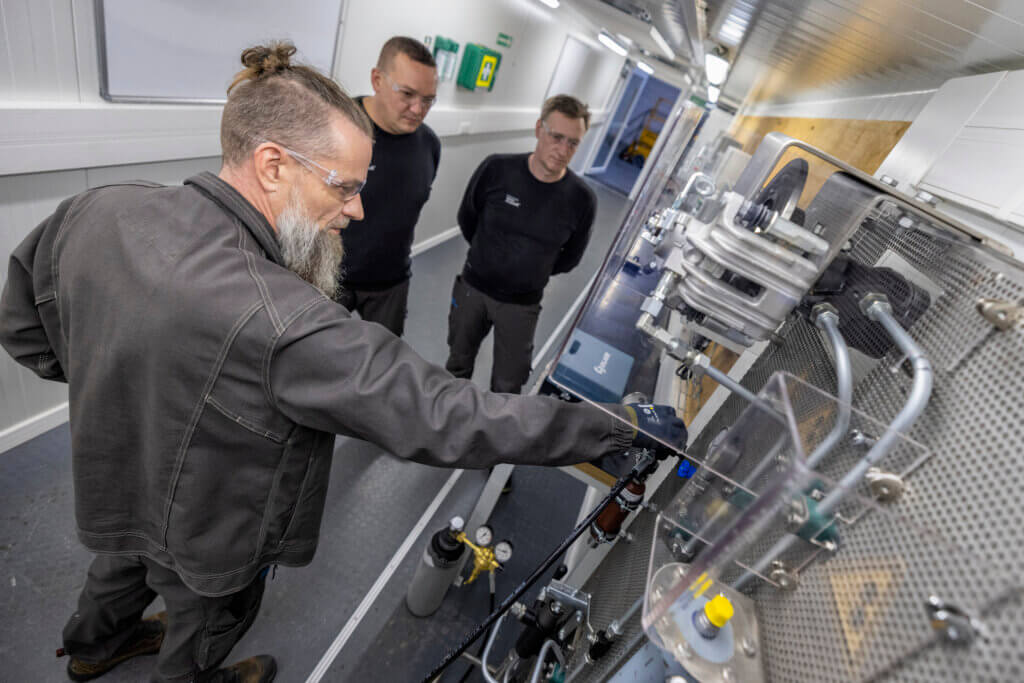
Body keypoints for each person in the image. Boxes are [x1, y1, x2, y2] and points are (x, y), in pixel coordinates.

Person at [0, 44, 685, 683]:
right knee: (204, 618)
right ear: (272, 165)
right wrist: (614, 426)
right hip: (211, 529)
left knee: (120, 563)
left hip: (115, 479)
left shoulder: (98, 210)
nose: (356, 209)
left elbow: (24, 329)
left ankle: (90, 650)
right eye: (344, 186)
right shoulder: (285, 320)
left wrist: (116, 385)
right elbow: (451, 413)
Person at [446, 94, 596, 394]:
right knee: (457, 366)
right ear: (539, 128)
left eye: (573, 143)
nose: (563, 149)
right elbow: (467, 218)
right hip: (473, 289)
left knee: (508, 384)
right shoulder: (497, 169)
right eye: (557, 137)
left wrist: (530, 270)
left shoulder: (582, 199)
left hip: (522, 305)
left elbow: (571, 258)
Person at [337, 36, 441, 336]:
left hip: (390, 283)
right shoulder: (336, 126)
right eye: (407, 93)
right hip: (327, 278)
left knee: (382, 372)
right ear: (377, 79)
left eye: (428, 99)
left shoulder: (430, 145)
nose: (418, 108)